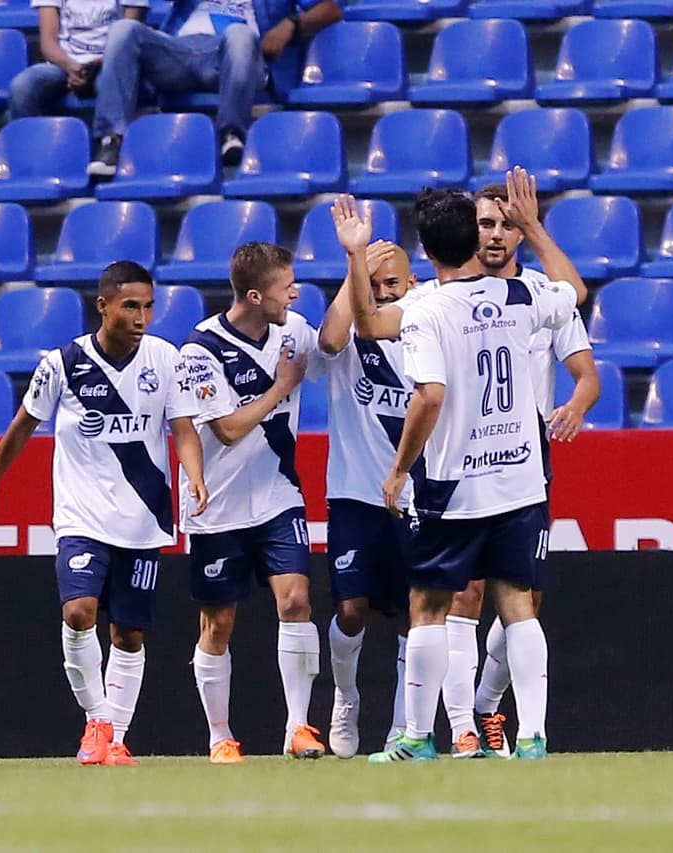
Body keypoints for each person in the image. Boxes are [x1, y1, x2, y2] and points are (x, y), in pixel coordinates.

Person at [363, 181, 580, 763]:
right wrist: (532, 226)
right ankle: (533, 735)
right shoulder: (519, 294)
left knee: (428, 607)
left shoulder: (424, 309)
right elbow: (574, 292)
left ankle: (415, 738)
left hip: (454, 483)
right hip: (519, 477)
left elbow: (427, 393)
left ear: (427, 252)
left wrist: (399, 469)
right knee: (516, 606)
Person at [0, 261, 209, 767]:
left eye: (148, 306)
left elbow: (183, 428)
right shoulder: (63, 364)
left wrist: (195, 477)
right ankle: (97, 720)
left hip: (144, 517)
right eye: (130, 306)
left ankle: (114, 737)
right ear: (103, 306)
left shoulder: (166, 360)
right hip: (81, 516)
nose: (142, 316)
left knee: (129, 633)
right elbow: (20, 429)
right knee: (79, 613)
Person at [442, 182, 600, 758]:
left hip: (526, 455)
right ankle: (464, 728)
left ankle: (488, 705)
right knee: (464, 596)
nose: (494, 234)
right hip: (461, 455)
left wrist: (575, 407)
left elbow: (587, 374)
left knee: (524, 603)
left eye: (505, 225)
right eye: (485, 224)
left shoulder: (539, 292)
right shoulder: (450, 292)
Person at [177, 241, 327, 763]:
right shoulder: (200, 350)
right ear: (257, 295)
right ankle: (220, 734)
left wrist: (359, 267)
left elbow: (333, 342)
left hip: (278, 494)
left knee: (297, 602)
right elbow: (229, 427)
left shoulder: (294, 329)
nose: (296, 293)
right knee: (218, 624)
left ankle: (298, 727)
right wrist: (282, 386)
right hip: (217, 504)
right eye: (287, 286)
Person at [317, 200, 422, 758]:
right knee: (351, 609)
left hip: (416, 497)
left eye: (392, 285)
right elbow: (330, 340)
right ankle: (347, 696)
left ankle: (403, 728)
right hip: (355, 493)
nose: (383, 295)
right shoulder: (350, 332)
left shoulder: (427, 323)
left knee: (416, 612)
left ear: (414, 283)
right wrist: (353, 263)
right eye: (375, 286)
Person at [87, 0, 343, 176]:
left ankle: (231, 133)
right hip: (180, 53)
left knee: (239, 34)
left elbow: (331, 10)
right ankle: (110, 140)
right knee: (123, 29)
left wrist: (291, 24)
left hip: (238, 57)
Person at [10, 0, 149, 120]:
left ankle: (111, 144)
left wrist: (95, 66)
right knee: (22, 87)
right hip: (63, 64)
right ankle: (33, 148)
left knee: (111, 85)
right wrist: (72, 67)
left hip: (111, 64)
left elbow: (128, 39)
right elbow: (48, 45)